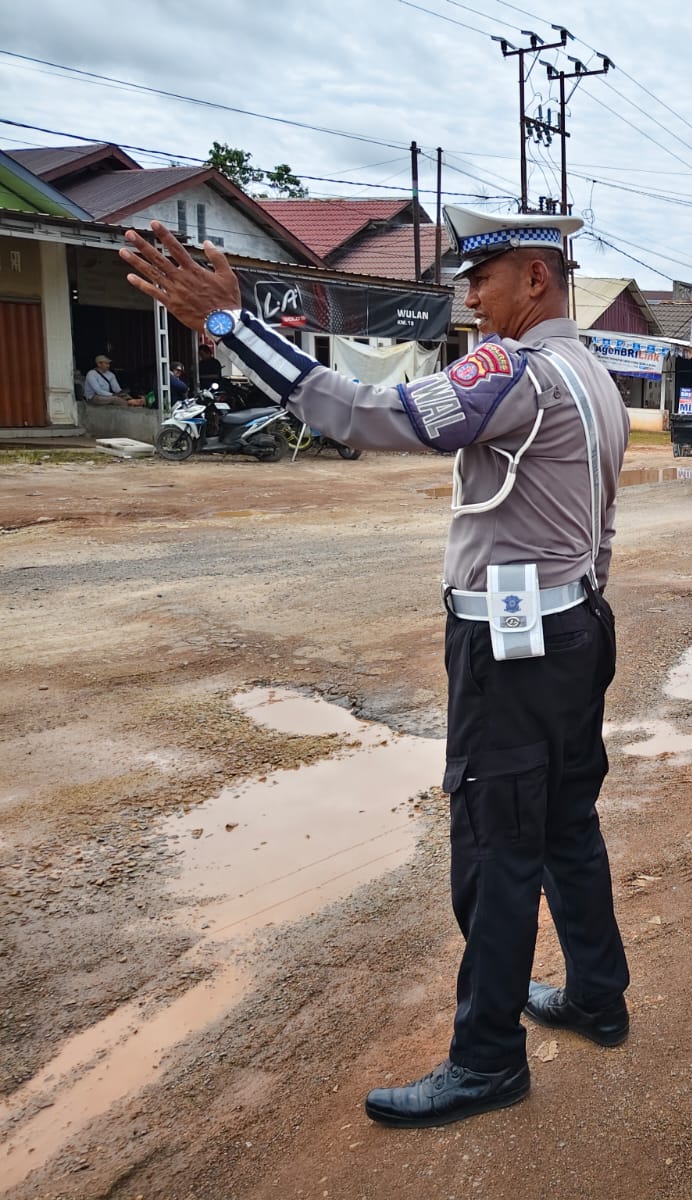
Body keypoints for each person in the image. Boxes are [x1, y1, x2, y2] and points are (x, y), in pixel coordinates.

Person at [120, 208, 632, 1130]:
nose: (468, 299)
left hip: (513, 654)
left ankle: (487, 1063)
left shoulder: (514, 370)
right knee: (565, 822)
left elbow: (369, 413)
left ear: (536, 282)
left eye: (483, 279)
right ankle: (597, 994)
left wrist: (234, 328)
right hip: (577, 631)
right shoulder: (590, 372)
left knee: (496, 848)